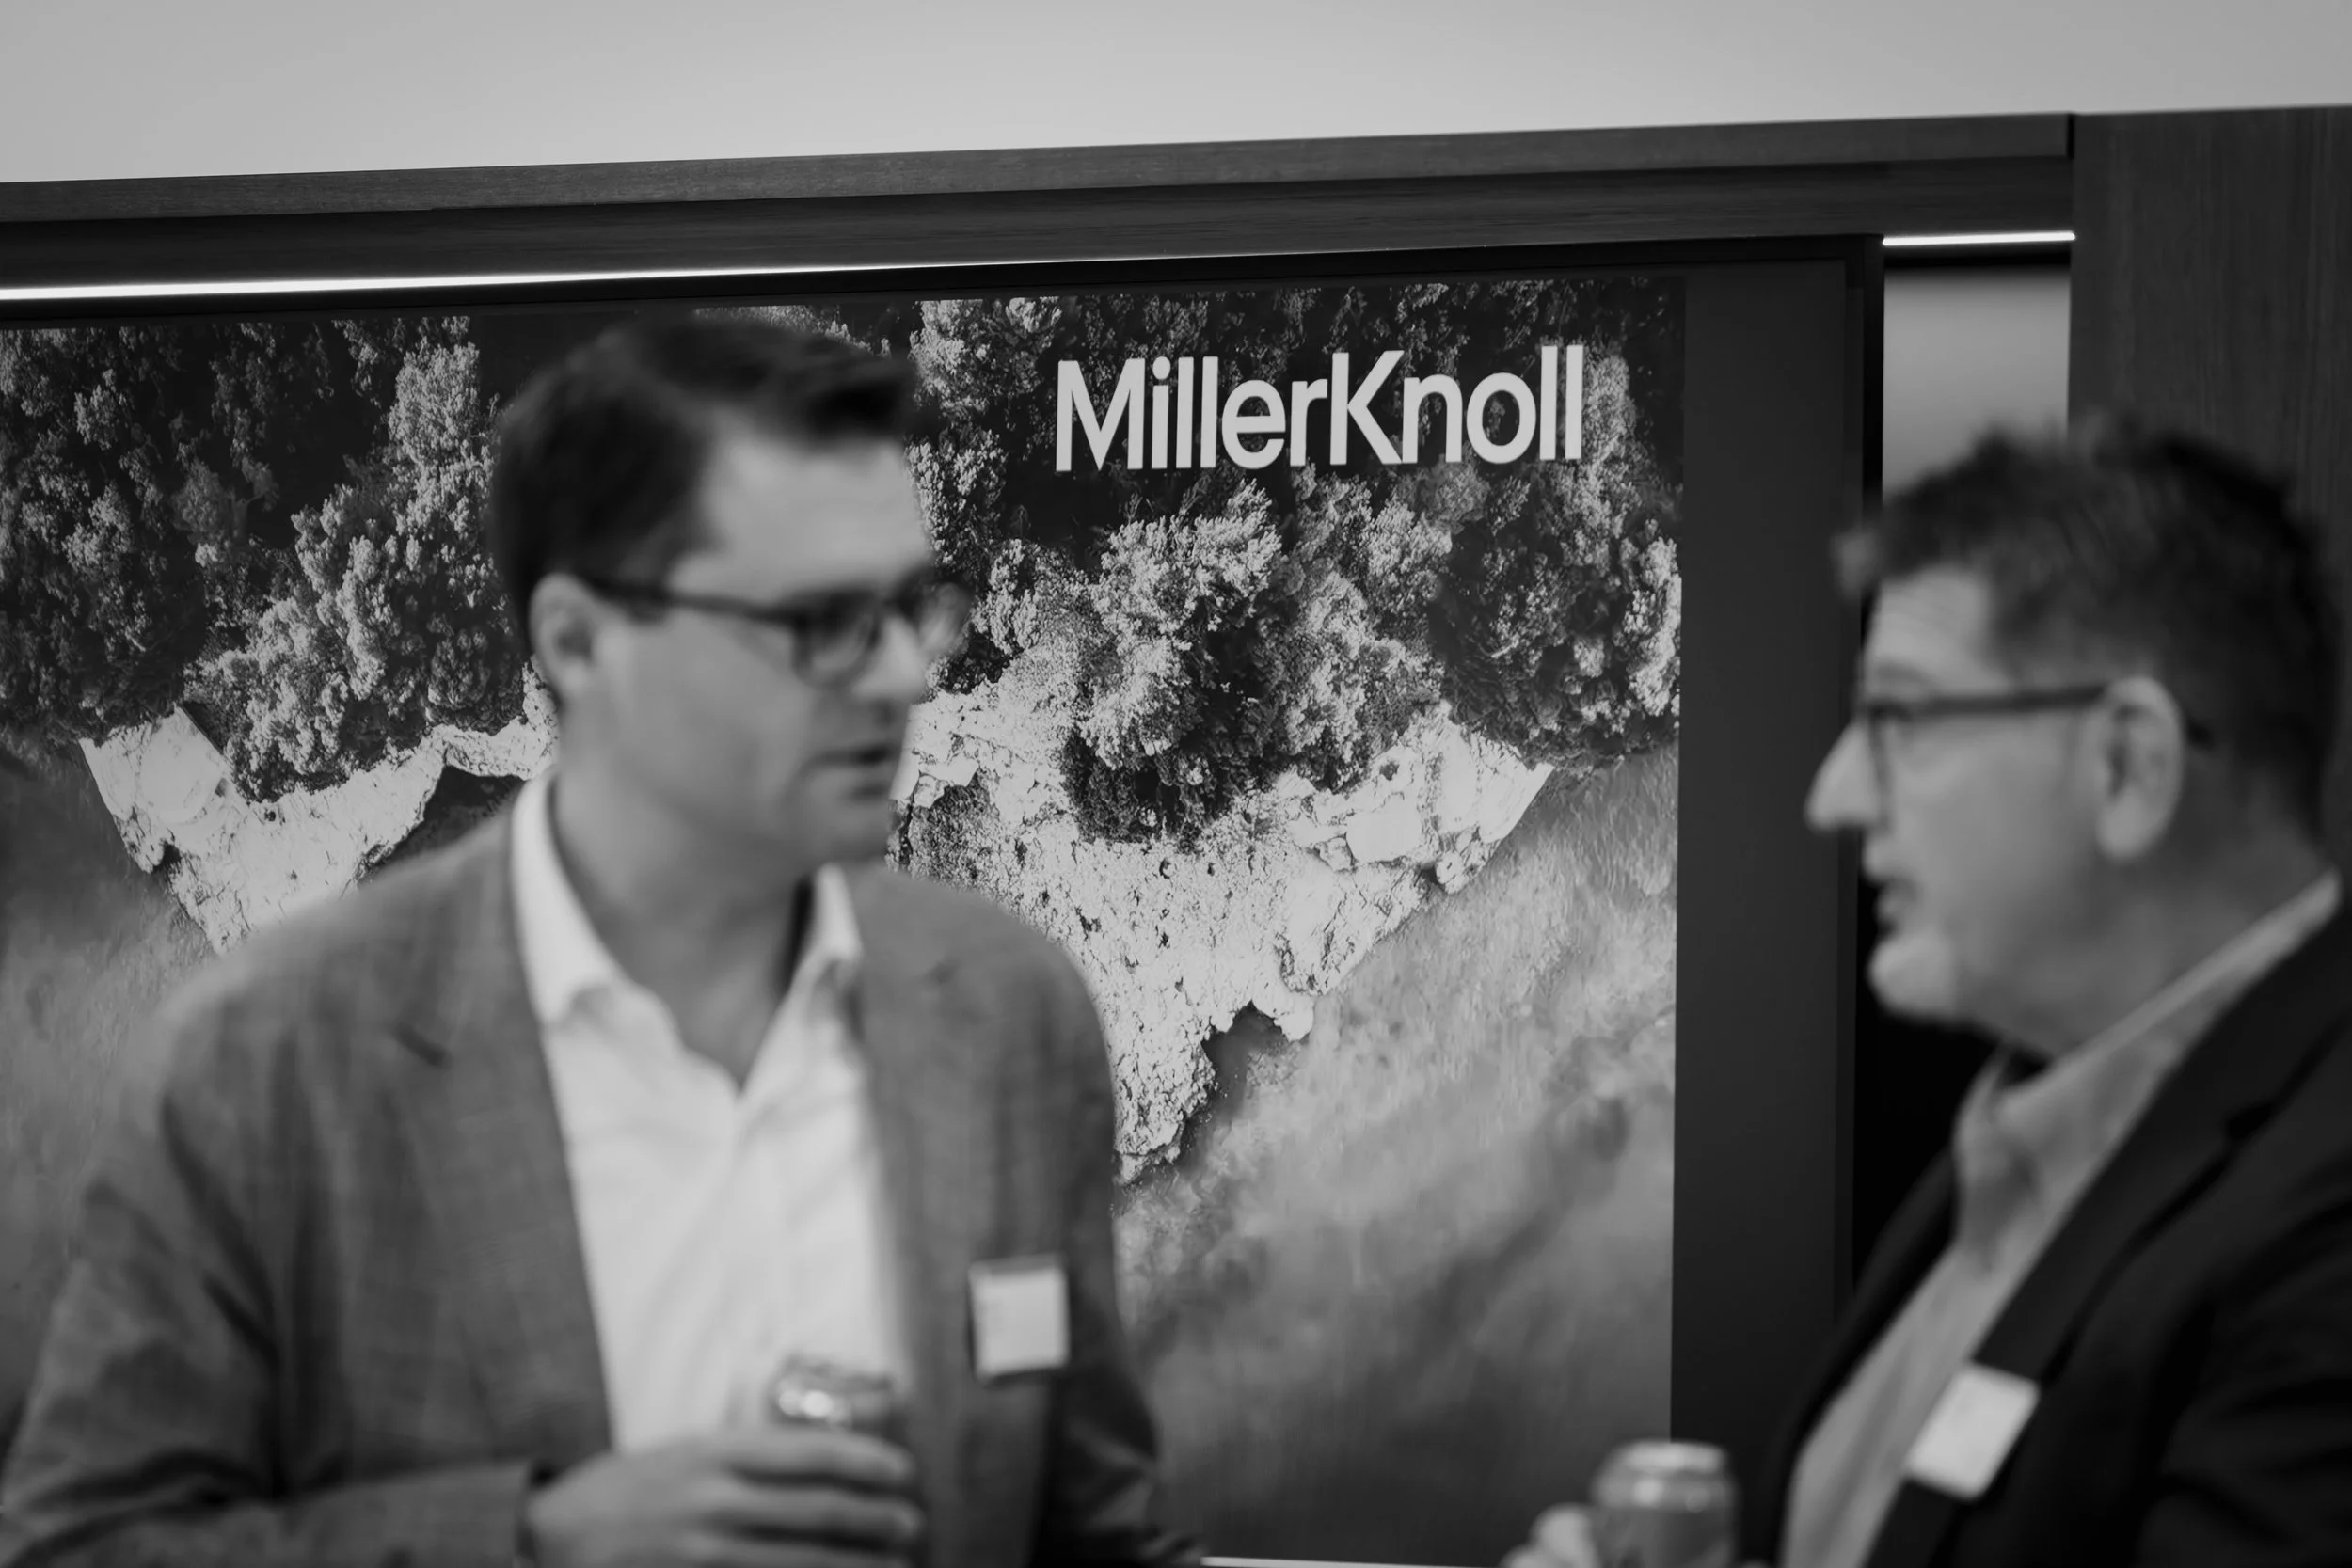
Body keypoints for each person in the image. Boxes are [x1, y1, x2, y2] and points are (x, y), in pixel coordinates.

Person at [0, 317, 1198, 1568]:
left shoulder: (1012, 1005)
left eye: (911, 604)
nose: (899, 672)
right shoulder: (271, 1057)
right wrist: (539, 1532)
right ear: (576, 641)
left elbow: (1092, 1521)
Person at [1508, 417, 2352, 1568]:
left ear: (2128, 766)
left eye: (1900, 719)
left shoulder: (2320, 1214)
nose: (1835, 792)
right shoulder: (2028, 1123)